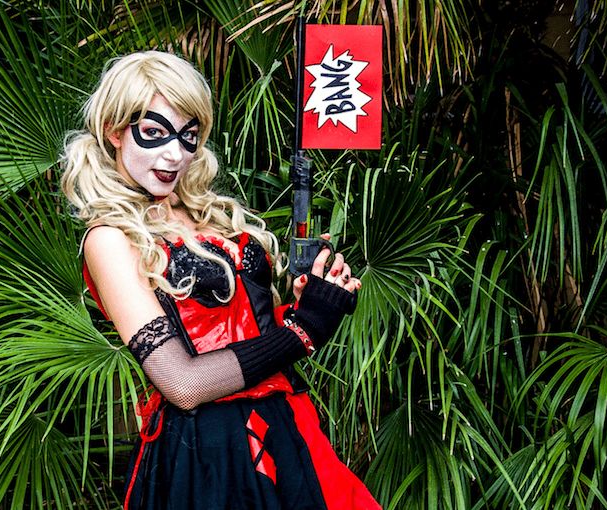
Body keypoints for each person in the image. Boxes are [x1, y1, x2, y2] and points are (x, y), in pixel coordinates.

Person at [61, 50, 380, 510]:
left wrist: (312, 300)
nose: (176, 154)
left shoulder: (202, 209)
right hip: (208, 453)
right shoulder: (109, 238)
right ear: (114, 131)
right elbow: (182, 383)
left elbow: (255, 335)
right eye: (154, 133)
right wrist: (306, 329)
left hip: (287, 427)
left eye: (189, 137)